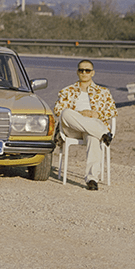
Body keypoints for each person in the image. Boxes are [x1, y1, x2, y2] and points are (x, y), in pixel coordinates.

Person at [53, 59, 117, 191]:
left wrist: (97, 115)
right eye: (81, 70)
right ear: (77, 72)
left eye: (87, 70)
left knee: (93, 136)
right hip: (72, 127)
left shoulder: (103, 92)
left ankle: (92, 179)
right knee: (66, 113)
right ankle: (103, 133)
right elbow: (58, 110)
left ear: (92, 73)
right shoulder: (67, 91)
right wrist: (80, 113)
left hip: (92, 126)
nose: (84, 73)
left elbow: (112, 111)